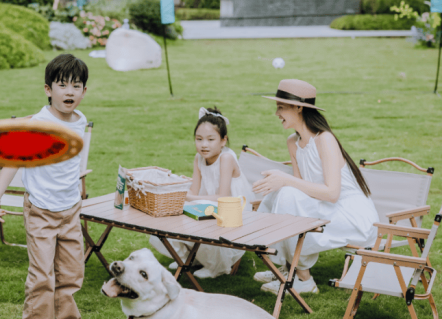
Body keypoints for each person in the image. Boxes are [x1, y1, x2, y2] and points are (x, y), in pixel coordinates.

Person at [0, 54, 93, 319]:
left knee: (71, 273)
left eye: (76, 86)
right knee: (42, 275)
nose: (69, 91)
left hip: (70, 209)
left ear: (84, 91)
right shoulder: (38, 124)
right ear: (48, 89)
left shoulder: (80, 120)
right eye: (62, 85)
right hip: (41, 210)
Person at [252, 79, 379, 294]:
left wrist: (285, 180)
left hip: (352, 217)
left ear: (299, 107)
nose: (277, 113)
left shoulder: (325, 139)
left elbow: (332, 193)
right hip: (328, 208)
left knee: (286, 193)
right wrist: (280, 183)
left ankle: (304, 280)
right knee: (279, 195)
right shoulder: (293, 142)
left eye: (281, 107)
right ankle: (282, 266)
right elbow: (300, 190)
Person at [149, 107, 253, 279]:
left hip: (233, 211)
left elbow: (223, 197)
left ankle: (216, 266)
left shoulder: (226, 158)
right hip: (210, 203)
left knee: (200, 209)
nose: (204, 144)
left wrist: (192, 198)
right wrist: (180, 193)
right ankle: (186, 257)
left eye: (211, 139)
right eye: (199, 139)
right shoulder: (199, 158)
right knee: (172, 211)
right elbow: (194, 189)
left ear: (223, 141)